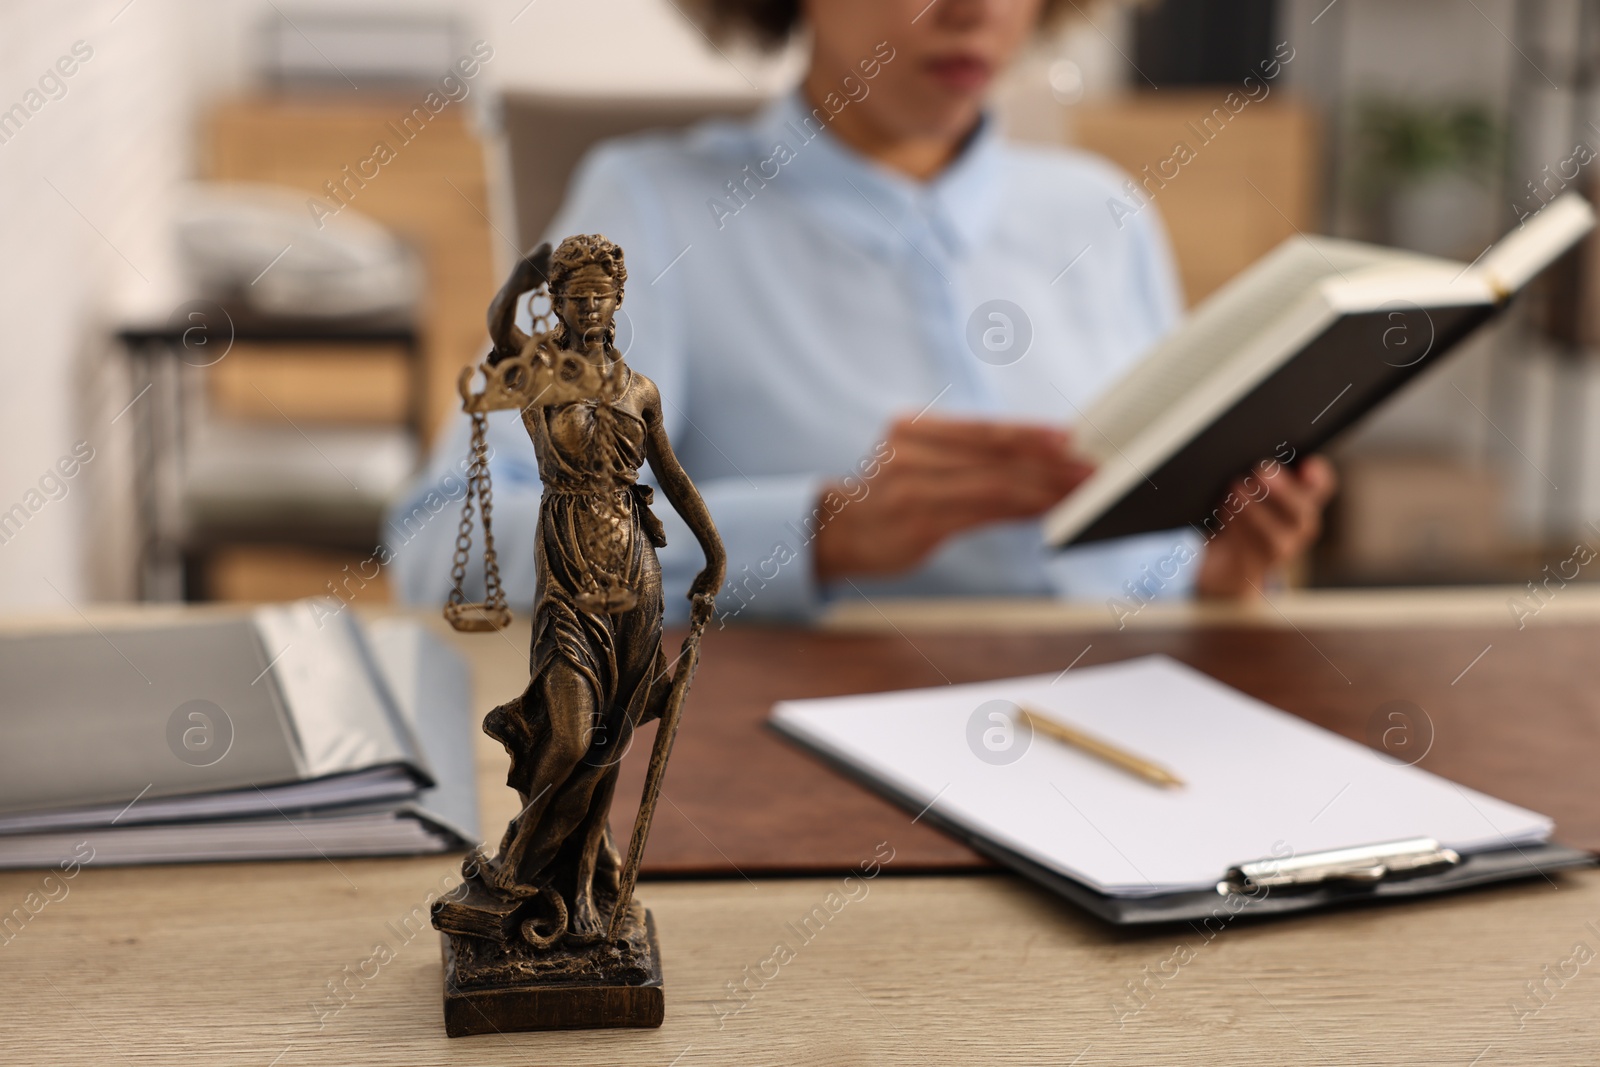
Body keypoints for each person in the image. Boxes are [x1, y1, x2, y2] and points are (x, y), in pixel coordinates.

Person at [389, 0, 1336, 624]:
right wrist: (817, 531)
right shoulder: (651, 210)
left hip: (1141, 734)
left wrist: (1224, 578)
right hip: (820, 774)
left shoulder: (1106, 213)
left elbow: (1159, 569)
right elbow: (449, 545)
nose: (973, 11)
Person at [460, 234, 724, 940]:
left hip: (636, 571)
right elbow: (497, 330)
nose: (588, 309)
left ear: (617, 300)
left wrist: (715, 554)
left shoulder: (641, 391)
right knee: (573, 733)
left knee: (610, 736)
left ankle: (580, 881)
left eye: (599, 297)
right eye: (573, 299)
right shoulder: (543, 374)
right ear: (559, 305)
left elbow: (672, 477)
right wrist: (518, 276)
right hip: (568, 568)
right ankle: (519, 862)